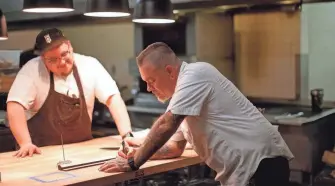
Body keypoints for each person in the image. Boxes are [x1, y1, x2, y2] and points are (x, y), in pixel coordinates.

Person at [98, 42, 294, 186]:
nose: (149, 88)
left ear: (169, 71)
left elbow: (166, 124)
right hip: (248, 171)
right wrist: (138, 151)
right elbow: (174, 147)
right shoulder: (181, 96)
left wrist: (134, 161)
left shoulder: (196, 74)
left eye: (151, 81)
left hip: (262, 166)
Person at [7, 28, 134, 158]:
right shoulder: (32, 70)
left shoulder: (89, 65)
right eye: (53, 59)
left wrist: (126, 135)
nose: (61, 62)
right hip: (40, 153)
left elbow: (112, 98)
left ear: (69, 46)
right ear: (43, 58)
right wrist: (25, 143)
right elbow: (14, 105)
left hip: (81, 151)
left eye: (64, 54)